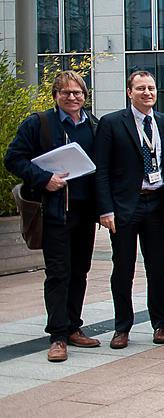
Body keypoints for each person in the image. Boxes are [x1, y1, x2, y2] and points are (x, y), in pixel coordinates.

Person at [5, 71, 100, 362]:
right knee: (58, 273)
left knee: (80, 272)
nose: (72, 98)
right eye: (65, 93)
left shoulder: (94, 125)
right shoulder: (39, 124)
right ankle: (57, 336)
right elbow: (13, 158)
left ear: (85, 95)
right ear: (56, 96)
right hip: (56, 212)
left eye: (77, 93)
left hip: (85, 213)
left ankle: (73, 326)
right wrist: (44, 178)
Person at [94, 71, 164, 350]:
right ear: (129, 92)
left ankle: (161, 324)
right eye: (140, 88)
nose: (147, 93)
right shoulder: (111, 123)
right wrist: (105, 209)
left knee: (158, 267)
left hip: (157, 204)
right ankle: (122, 327)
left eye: (151, 88)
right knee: (123, 268)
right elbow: (100, 170)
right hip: (125, 206)